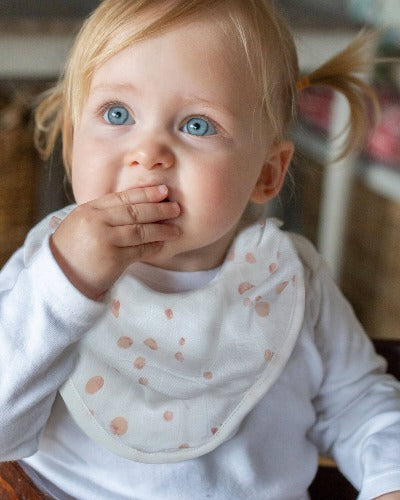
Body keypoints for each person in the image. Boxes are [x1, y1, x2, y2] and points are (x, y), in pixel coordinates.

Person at [0, 0, 399, 498]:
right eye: (117, 113)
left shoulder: (291, 281)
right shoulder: (50, 271)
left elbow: (360, 406)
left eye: (197, 125)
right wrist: (66, 287)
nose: (148, 153)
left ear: (266, 173)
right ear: (76, 137)